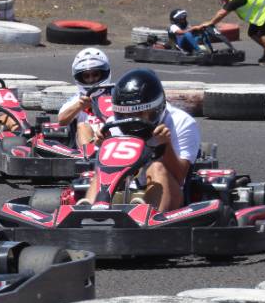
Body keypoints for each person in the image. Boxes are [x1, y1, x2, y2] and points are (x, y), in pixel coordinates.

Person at [84, 68, 200, 212]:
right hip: (124, 188)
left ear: (156, 108)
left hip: (170, 194)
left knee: (157, 167)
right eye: (126, 115)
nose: (132, 120)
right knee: (103, 173)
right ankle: (89, 213)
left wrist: (166, 144)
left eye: (139, 113)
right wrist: (104, 145)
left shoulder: (181, 122)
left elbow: (180, 176)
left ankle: (147, 213)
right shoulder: (114, 124)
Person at [195, 0, 265, 66]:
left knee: (260, 34)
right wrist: (210, 22)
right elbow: (222, 10)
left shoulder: (236, 0)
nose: (224, 1)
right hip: (260, 11)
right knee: (252, 33)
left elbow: (222, 14)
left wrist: (211, 22)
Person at [57, 48, 113, 146]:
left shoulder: (117, 94)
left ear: (103, 73)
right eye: (86, 76)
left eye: (95, 74)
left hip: (114, 139)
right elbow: (61, 120)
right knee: (82, 126)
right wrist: (79, 106)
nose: (91, 79)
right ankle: (88, 158)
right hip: (90, 144)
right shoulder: (78, 99)